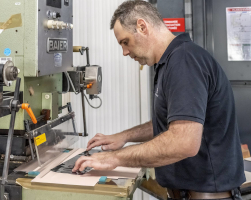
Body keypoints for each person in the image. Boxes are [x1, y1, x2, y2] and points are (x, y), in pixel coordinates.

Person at [72, 1, 245, 199]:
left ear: (142, 27)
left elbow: (183, 141)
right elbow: (173, 124)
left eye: (125, 42)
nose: (125, 52)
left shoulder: (184, 61)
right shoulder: (170, 62)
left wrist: (114, 158)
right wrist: (124, 136)